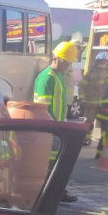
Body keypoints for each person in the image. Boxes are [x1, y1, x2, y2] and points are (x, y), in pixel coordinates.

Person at [34, 41, 79, 202]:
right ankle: (50, 195)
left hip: (56, 126)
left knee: (57, 163)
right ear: (58, 59)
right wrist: (54, 126)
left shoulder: (58, 75)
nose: (69, 66)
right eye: (67, 62)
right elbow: (42, 106)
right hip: (50, 128)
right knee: (50, 164)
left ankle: (58, 192)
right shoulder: (47, 78)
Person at [78, 52, 108, 146]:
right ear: (97, 61)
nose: (102, 62)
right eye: (101, 60)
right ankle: (86, 138)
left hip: (105, 103)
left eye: (105, 61)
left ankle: (104, 141)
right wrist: (82, 98)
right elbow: (82, 86)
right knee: (89, 121)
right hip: (91, 103)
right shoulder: (90, 73)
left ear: (107, 62)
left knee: (105, 123)